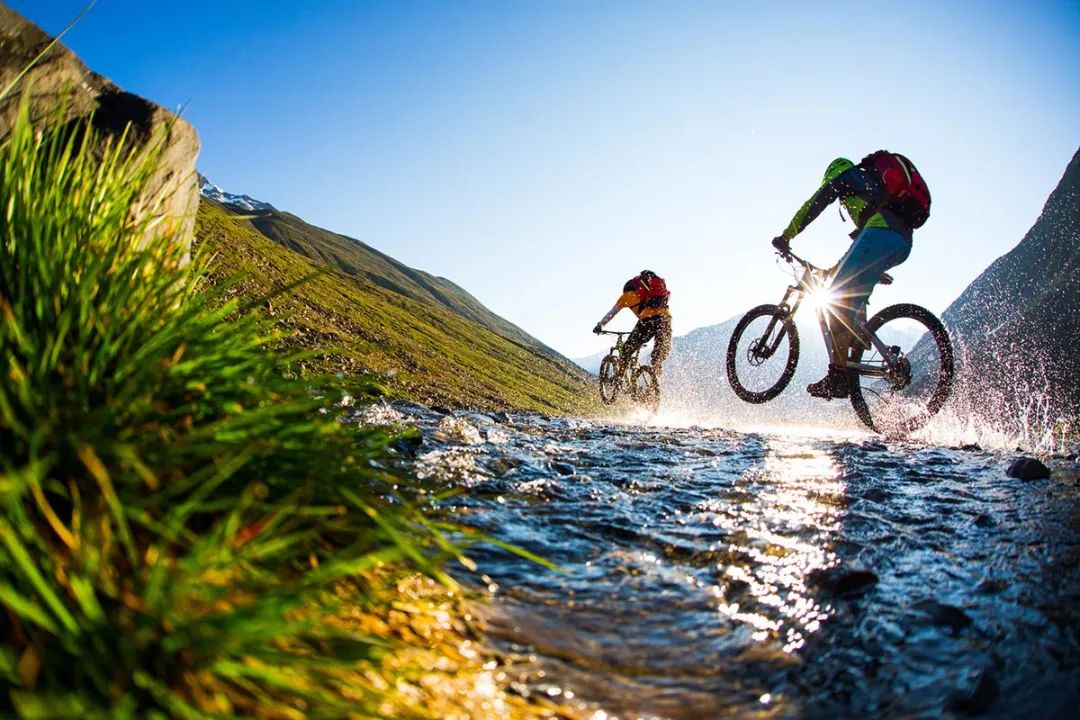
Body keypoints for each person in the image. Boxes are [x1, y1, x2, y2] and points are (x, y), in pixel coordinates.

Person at [771, 152, 929, 399]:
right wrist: (832, 271)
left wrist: (786, 236)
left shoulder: (848, 178)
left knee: (833, 301)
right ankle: (856, 343)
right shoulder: (874, 199)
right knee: (846, 292)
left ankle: (838, 376)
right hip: (901, 243)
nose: (842, 204)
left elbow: (814, 204)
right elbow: (855, 255)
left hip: (881, 235)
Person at [593, 270, 672, 380]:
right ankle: (654, 381)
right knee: (659, 354)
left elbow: (612, 313)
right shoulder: (654, 293)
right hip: (665, 319)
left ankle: (618, 379)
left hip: (647, 321)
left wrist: (600, 325)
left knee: (626, 351)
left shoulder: (627, 296)